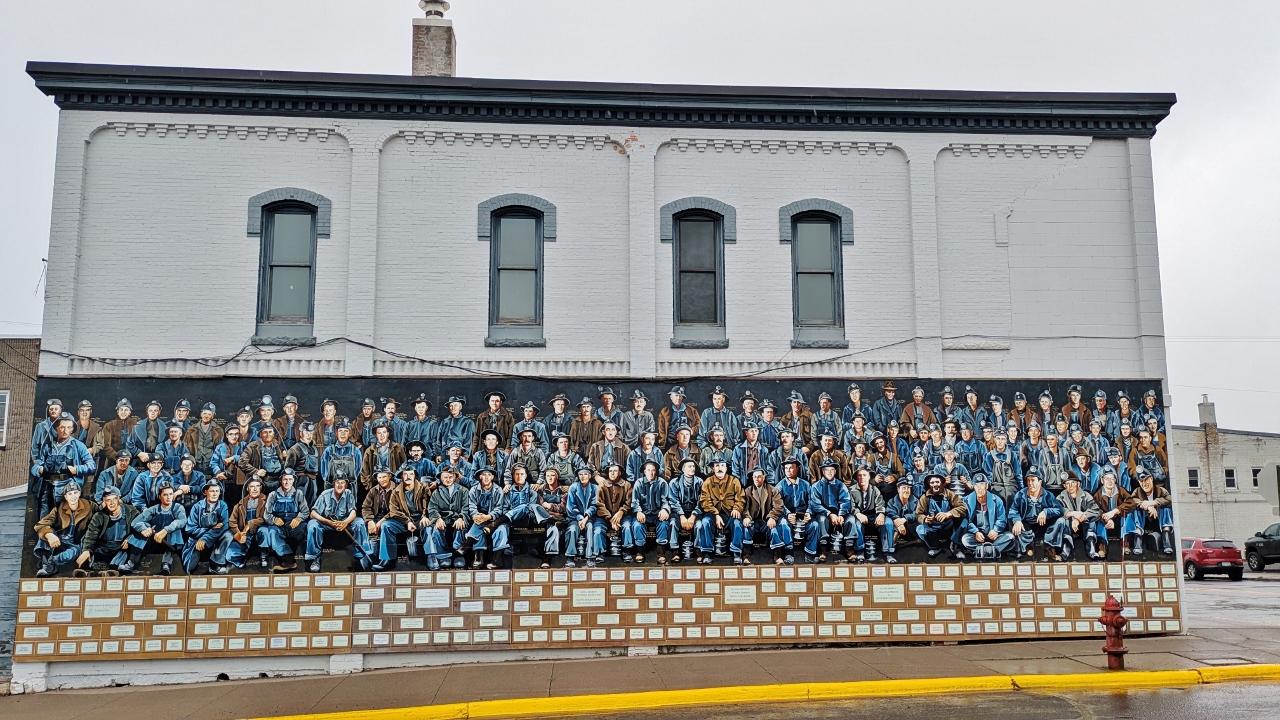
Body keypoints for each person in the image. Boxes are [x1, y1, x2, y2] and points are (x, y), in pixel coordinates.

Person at [31, 414, 96, 518]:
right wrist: (39, 470)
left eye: (69, 427)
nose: (65, 430)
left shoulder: (78, 446)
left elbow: (91, 466)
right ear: (56, 428)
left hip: (68, 488)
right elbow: (36, 466)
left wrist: (76, 469)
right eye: (62, 427)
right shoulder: (48, 446)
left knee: (65, 521)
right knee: (45, 520)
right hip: (47, 488)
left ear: (72, 429)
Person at [32, 480, 97, 577]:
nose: (73, 496)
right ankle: (47, 567)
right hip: (59, 540)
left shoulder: (91, 506)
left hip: (76, 543)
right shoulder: (59, 508)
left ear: (79, 493)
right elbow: (40, 524)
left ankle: (50, 562)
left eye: (75, 492)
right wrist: (49, 535)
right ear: (65, 496)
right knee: (46, 532)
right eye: (69, 494)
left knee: (69, 554)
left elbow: (100, 521)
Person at [307, 475, 368, 572]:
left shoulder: (348, 494)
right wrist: (328, 522)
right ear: (333, 484)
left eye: (342, 483)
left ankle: (361, 557)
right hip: (327, 524)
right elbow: (313, 513)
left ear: (346, 484)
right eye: (337, 483)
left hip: (344, 523)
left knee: (359, 522)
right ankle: (314, 558)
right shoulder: (325, 495)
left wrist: (345, 522)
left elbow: (353, 512)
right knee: (312, 524)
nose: (340, 485)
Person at [123, 482, 186, 575]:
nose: (168, 497)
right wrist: (145, 529)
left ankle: (166, 565)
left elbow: (182, 520)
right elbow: (135, 522)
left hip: (170, 543)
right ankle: (131, 564)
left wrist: (166, 530)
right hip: (154, 540)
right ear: (160, 496)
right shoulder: (154, 509)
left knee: (175, 529)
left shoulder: (178, 508)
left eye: (170, 494)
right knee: (143, 531)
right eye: (165, 494)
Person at [375, 465, 430, 571]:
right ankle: (387, 559)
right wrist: (407, 522)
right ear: (401, 476)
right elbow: (394, 510)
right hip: (404, 521)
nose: (408, 477)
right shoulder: (396, 491)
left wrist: (424, 516)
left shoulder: (423, 487)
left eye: (411, 474)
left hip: (420, 519)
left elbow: (428, 505)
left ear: (415, 476)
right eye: (405, 474)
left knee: (428, 527)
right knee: (386, 525)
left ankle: (431, 556)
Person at [78, 485, 137, 575]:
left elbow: (141, 527)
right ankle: (86, 570)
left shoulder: (131, 512)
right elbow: (91, 534)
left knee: (132, 546)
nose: (111, 503)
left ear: (119, 500)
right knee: (84, 541)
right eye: (108, 500)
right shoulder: (99, 516)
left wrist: (130, 538)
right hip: (104, 548)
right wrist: (87, 550)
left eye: (114, 499)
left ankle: (114, 569)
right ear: (104, 502)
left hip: (121, 548)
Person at [1008, 469, 1065, 561]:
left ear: (1040, 482)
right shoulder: (1021, 494)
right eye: (1028, 480)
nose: (1030, 483)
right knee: (1016, 525)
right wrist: (1017, 520)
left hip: (1044, 525)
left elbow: (1060, 510)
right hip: (1027, 525)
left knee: (1061, 521)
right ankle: (1028, 547)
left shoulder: (1048, 495)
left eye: (1033, 480)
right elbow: (1013, 510)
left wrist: (1046, 512)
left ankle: (1048, 548)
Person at [696, 459, 745, 564]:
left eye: (722, 465)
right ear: (713, 468)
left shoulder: (734, 481)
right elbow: (704, 501)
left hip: (730, 513)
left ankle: (737, 552)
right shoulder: (707, 482)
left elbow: (741, 498)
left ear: (726, 468)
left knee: (737, 523)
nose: (720, 468)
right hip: (713, 514)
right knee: (705, 522)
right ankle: (708, 552)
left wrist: (737, 508)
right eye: (717, 466)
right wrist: (715, 513)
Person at [261, 470, 310, 571]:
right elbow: (266, 515)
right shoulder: (273, 495)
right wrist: (274, 520)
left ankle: (309, 561)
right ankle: (288, 561)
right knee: (272, 532)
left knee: (306, 528)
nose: (287, 482)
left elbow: (305, 511)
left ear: (293, 481)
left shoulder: (298, 493)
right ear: (281, 481)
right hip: (279, 525)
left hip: (294, 524)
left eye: (290, 479)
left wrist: (298, 518)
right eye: (285, 479)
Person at [461, 467, 509, 570]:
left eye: (489, 475)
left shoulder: (498, 490)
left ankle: (467, 544)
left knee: (484, 527)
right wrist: (475, 516)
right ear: (479, 477)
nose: (486, 477)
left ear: (492, 477)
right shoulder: (474, 489)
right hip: (479, 517)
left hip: (493, 518)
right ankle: (478, 558)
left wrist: (488, 516)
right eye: (484, 475)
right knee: (478, 525)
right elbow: (471, 505)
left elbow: (499, 508)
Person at [806, 459, 852, 564]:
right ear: (823, 471)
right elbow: (815, 505)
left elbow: (846, 500)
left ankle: (849, 549)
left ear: (835, 471)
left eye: (832, 470)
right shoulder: (816, 486)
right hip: (823, 514)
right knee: (822, 520)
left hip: (839, 513)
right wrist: (829, 514)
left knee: (851, 520)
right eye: (827, 470)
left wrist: (841, 514)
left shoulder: (841, 485)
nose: (829, 472)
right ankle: (823, 549)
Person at [960, 474, 1015, 561]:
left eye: (982, 484)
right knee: (965, 539)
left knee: (1010, 536)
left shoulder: (996, 500)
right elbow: (966, 520)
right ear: (973, 487)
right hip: (978, 537)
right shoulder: (966, 501)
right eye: (976, 485)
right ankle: (993, 550)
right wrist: (976, 532)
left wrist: (996, 530)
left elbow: (1002, 518)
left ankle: (982, 550)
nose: (979, 488)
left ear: (986, 486)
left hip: (994, 536)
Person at [740, 468, 788, 565]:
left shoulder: (772, 490)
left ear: (764, 478)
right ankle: (746, 556)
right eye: (755, 477)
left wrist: (772, 517)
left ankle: (777, 556)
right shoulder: (747, 491)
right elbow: (744, 507)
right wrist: (746, 517)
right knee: (746, 529)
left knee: (774, 530)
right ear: (752, 478)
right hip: (753, 520)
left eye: (759, 476)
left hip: (766, 521)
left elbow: (779, 505)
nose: (757, 479)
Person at [626, 459, 670, 564]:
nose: (651, 473)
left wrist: (664, 509)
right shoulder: (639, 483)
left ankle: (661, 553)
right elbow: (635, 502)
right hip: (643, 514)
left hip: (657, 514)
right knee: (637, 525)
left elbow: (666, 500)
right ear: (644, 472)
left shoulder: (662, 483)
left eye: (653, 470)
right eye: (648, 470)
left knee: (664, 524)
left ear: (656, 471)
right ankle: (640, 551)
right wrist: (638, 512)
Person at [425, 467, 469, 569]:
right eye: (445, 477)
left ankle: (459, 556)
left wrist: (461, 517)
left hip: (457, 518)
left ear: (455, 478)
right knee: (436, 530)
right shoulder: (436, 492)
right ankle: (443, 557)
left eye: (450, 477)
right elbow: (432, 508)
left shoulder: (463, 491)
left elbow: (466, 507)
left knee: (461, 528)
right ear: (441, 479)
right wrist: (437, 519)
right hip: (443, 519)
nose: (448, 479)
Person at [914, 472, 966, 559]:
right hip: (933, 528)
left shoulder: (949, 494)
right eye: (932, 482)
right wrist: (925, 519)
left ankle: (955, 547)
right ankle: (935, 547)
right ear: (929, 484)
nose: (935, 485)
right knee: (919, 529)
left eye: (937, 482)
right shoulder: (925, 497)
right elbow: (918, 514)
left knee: (964, 521)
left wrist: (949, 514)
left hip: (949, 527)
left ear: (941, 483)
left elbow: (963, 508)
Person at [181, 482, 230, 574]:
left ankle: (216, 563)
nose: (215, 494)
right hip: (197, 540)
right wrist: (209, 531)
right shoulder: (197, 507)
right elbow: (190, 529)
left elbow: (224, 526)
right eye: (212, 491)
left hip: (215, 540)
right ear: (206, 492)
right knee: (190, 567)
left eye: (217, 491)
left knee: (228, 535)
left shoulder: (223, 505)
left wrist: (205, 538)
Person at [664, 458, 703, 563]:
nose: (692, 468)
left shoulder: (700, 482)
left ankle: (699, 552)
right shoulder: (674, 482)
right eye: (689, 466)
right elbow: (673, 501)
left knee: (699, 525)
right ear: (683, 468)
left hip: (695, 512)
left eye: (694, 466)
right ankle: (675, 552)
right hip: (678, 512)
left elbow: (701, 501)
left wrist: (693, 515)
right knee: (672, 523)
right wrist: (681, 516)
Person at [1129, 466, 1174, 556]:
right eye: (1141, 481)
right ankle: (1138, 544)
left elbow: (1169, 499)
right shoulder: (1137, 491)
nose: (1144, 483)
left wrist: (1153, 503)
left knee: (1166, 510)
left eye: (1146, 480)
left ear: (1151, 478)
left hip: (1158, 521)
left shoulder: (1160, 490)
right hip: (1144, 522)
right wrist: (1145, 505)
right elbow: (1132, 500)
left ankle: (1167, 544)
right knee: (1137, 512)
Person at [224, 478, 269, 569]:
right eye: (252, 486)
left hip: (261, 533)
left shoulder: (267, 501)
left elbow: (266, 518)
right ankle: (242, 557)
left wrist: (249, 524)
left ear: (261, 488)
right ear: (247, 489)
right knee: (230, 555)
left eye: (257, 486)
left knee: (264, 531)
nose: (255, 489)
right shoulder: (240, 504)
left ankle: (263, 555)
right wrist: (238, 534)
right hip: (246, 534)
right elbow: (232, 521)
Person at [774, 458, 811, 565]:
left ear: (797, 469)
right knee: (784, 524)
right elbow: (778, 502)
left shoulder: (806, 485)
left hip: (803, 515)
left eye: (791, 468)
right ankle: (788, 551)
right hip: (786, 515)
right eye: (786, 468)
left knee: (815, 525)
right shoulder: (780, 486)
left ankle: (810, 553)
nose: (788, 470)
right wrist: (788, 513)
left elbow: (811, 501)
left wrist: (808, 512)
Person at [596, 459, 634, 561]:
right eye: (610, 471)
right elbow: (599, 504)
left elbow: (629, 503)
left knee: (627, 526)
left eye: (615, 471)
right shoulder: (602, 486)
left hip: (623, 515)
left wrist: (621, 512)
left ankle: (626, 551)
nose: (612, 473)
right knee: (598, 530)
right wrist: (610, 518)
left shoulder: (627, 485)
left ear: (620, 472)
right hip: (605, 517)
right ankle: (601, 552)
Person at [1056, 474, 1100, 560]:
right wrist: (1072, 514)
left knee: (1092, 520)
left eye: (1073, 483)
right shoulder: (1060, 497)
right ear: (1064, 486)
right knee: (1062, 520)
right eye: (1067, 483)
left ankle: (1091, 548)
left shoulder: (1086, 496)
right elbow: (1057, 510)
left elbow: (1096, 511)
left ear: (1078, 484)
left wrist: (1079, 518)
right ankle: (1066, 549)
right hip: (1069, 528)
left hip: (1084, 527)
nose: (1070, 486)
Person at [1093, 469, 1135, 559]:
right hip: (1106, 520)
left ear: (1115, 480)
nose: (1110, 481)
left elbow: (1131, 503)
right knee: (1098, 521)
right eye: (1107, 479)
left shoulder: (1120, 490)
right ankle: (1102, 546)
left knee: (1128, 516)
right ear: (1102, 480)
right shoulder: (1098, 494)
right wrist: (1107, 519)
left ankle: (1125, 543)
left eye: (1112, 479)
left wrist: (1116, 510)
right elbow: (1095, 509)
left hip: (1119, 519)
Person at [846, 467, 886, 563]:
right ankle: (860, 551)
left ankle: (887, 552)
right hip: (858, 516)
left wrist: (881, 514)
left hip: (872, 515)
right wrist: (858, 513)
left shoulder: (875, 489)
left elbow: (880, 503)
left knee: (886, 523)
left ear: (869, 477)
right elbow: (850, 505)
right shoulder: (851, 490)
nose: (862, 478)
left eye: (864, 475)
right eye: (859, 475)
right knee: (857, 525)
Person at [565, 467, 600, 568]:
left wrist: (585, 519)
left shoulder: (595, 488)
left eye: (585, 474)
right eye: (580, 474)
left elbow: (594, 505)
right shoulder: (573, 487)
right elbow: (571, 506)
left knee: (590, 528)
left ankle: (590, 557)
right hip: (574, 518)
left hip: (589, 518)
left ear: (589, 476)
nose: (582, 476)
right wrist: (580, 518)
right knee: (572, 530)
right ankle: (570, 557)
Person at [533, 468, 568, 568]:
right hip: (544, 518)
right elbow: (539, 506)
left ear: (557, 476)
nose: (550, 478)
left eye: (552, 475)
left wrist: (549, 506)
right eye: (547, 476)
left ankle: (547, 558)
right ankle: (552, 519)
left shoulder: (563, 491)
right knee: (536, 509)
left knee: (553, 528)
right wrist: (553, 512)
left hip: (556, 520)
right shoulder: (540, 491)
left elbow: (563, 508)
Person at [360, 421, 407, 492]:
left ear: (388, 434)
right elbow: (364, 472)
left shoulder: (397, 448)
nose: (382, 435)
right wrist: (370, 487)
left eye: (384, 432)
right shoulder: (369, 451)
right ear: (375, 435)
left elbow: (404, 467)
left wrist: (398, 485)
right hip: (376, 487)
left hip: (394, 487)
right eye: (379, 433)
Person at [239, 424, 287, 493]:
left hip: (278, 482)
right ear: (260, 434)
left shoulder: (278, 445)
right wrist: (256, 471)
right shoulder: (252, 446)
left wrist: (285, 457)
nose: (268, 435)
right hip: (261, 482)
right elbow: (242, 462)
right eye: (265, 432)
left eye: (270, 432)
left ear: (273, 434)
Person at [882, 479, 918, 564]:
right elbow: (890, 512)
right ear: (898, 489)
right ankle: (890, 549)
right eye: (904, 488)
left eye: (908, 488)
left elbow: (917, 513)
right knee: (890, 523)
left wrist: (905, 519)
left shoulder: (916, 500)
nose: (906, 490)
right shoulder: (892, 501)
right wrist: (899, 523)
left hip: (910, 527)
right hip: (897, 526)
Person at [284, 422, 321, 504]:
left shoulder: (314, 449)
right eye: (306, 433)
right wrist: (305, 475)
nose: (309, 435)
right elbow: (287, 470)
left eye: (311, 433)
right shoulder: (294, 449)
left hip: (313, 482)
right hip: (300, 483)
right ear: (301, 433)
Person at [319, 418, 360, 492]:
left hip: (350, 488)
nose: (343, 434)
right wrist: (331, 483)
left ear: (349, 434)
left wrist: (347, 483)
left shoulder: (356, 451)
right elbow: (324, 471)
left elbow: (357, 470)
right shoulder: (329, 450)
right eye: (340, 431)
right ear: (336, 433)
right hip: (331, 488)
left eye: (346, 431)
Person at [211, 424, 248, 505]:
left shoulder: (243, 445)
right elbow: (213, 463)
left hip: (239, 482)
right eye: (231, 434)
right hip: (224, 481)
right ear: (227, 435)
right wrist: (218, 473)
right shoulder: (220, 447)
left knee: (239, 503)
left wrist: (233, 458)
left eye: (236, 434)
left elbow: (246, 458)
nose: (234, 436)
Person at [183, 403, 223, 475]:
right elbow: (185, 447)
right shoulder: (191, 429)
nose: (206, 416)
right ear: (201, 414)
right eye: (204, 413)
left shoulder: (218, 430)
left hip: (210, 463)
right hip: (195, 463)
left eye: (209, 414)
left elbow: (221, 449)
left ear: (212, 416)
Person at [656, 386, 700, 451]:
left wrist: (692, 430)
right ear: (671, 397)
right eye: (676, 395)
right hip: (670, 441)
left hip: (686, 441)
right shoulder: (664, 412)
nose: (678, 398)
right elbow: (661, 429)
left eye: (680, 396)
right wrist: (663, 440)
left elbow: (699, 424)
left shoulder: (692, 411)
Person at [124, 399, 165, 467]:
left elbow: (165, 446)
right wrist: (139, 453)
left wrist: (159, 456)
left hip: (157, 461)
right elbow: (129, 444)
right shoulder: (137, 427)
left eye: (155, 410)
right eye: (150, 410)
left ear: (159, 412)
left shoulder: (164, 428)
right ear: (147, 412)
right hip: (140, 461)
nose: (153, 413)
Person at [98, 399, 138, 470]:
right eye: (121, 410)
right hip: (113, 460)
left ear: (130, 412)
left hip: (131, 460)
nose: (123, 412)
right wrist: (117, 457)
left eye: (126, 410)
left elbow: (138, 444)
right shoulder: (109, 426)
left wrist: (128, 458)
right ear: (117, 411)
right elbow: (106, 446)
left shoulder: (136, 425)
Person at [437, 397, 475, 461]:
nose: (453, 408)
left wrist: (465, 455)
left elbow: (469, 440)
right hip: (445, 456)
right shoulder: (444, 422)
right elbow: (438, 440)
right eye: (451, 406)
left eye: (455, 405)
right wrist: (438, 454)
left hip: (459, 455)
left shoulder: (468, 422)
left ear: (460, 407)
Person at [406, 394, 438, 459]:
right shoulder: (409, 424)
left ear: (426, 408)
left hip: (427, 456)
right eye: (419, 407)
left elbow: (435, 441)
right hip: (411, 457)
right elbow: (404, 442)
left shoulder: (432, 424)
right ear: (415, 408)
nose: (420, 409)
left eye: (423, 407)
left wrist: (435, 456)